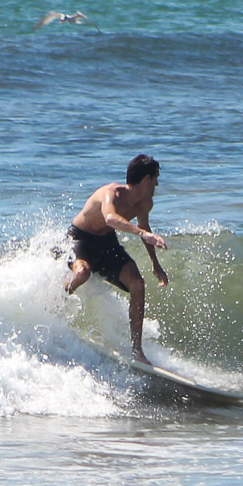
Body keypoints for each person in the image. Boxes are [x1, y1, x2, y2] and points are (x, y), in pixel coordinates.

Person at [65, 154, 169, 364]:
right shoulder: (110, 193)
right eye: (156, 178)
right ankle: (60, 298)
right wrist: (142, 234)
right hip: (80, 239)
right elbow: (110, 218)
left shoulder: (145, 203)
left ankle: (137, 351)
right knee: (83, 273)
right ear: (146, 179)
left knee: (137, 284)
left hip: (107, 243)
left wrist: (155, 263)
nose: (157, 183)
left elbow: (145, 227)